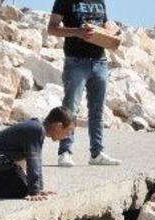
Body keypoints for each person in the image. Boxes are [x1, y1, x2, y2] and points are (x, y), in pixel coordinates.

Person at [47, 0, 121, 167]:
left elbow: (105, 22)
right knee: (70, 109)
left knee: (97, 110)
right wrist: (77, 32)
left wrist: (112, 29)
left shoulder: (99, 1)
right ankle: (64, 152)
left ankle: (97, 153)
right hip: (75, 61)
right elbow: (51, 28)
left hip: (100, 61)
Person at [0, 107, 74, 201]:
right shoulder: (37, 130)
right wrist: (35, 191)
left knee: (25, 185)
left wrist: (39, 188)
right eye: (67, 131)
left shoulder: (36, 127)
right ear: (58, 126)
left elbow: (35, 162)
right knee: (21, 190)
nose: (67, 136)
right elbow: (34, 161)